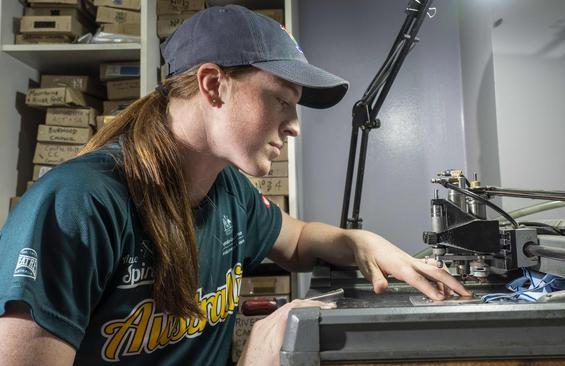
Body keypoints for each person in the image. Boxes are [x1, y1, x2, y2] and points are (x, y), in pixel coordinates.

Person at [0, 5, 471, 366]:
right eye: (281, 100)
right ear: (212, 85)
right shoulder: (78, 206)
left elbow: (300, 239)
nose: (295, 127)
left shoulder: (229, 191)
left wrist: (359, 243)